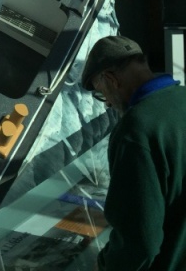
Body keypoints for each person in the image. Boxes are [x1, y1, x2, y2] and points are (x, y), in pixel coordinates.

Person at [81, 35, 186, 270]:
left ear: (111, 79)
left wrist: (107, 265)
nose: (107, 103)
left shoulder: (135, 130)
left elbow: (140, 240)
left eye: (101, 93)